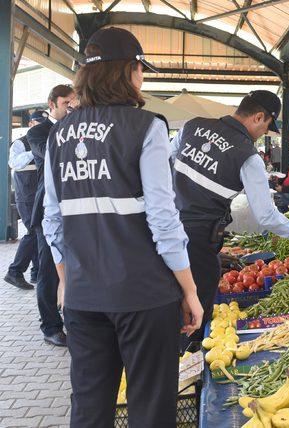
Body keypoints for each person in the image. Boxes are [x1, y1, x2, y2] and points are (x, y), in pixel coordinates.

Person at [42, 27, 203, 427]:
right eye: (140, 69)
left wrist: (65, 280)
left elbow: (52, 220)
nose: (142, 78)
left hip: (82, 296)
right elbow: (164, 220)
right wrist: (189, 289)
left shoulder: (58, 135)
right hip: (143, 297)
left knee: (90, 408)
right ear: (128, 72)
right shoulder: (147, 127)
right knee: (149, 408)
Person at [171, 90, 289, 347]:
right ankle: (184, 366)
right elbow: (266, 214)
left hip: (165, 230)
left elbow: (162, 165)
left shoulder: (192, 126)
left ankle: (169, 359)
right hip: (198, 240)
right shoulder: (247, 155)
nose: (263, 135)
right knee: (194, 314)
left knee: (169, 302)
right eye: (267, 127)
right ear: (259, 117)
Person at [29, 85, 75, 346]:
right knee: (48, 271)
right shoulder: (38, 132)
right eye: (65, 103)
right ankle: (50, 327)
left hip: (74, 211)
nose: (70, 107)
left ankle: (70, 315)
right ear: (52, 105)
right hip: (48, 212)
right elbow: (49, 156)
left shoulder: (74, 129)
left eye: (73, 102)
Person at [4, 110, 48, 290]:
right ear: (31, 124)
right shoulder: (20, 143)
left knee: (38, 232)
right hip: (26, 196)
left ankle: (36, 272)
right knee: (32, 232)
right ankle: (15, 271)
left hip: (38, 194)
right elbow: (14, 162)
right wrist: (34, 149)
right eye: (38, 123)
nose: (41, 126)